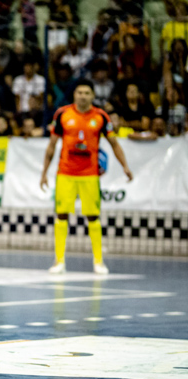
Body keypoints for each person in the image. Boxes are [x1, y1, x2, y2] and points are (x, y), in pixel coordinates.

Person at [39, 79, 133, 275]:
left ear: (92, 95)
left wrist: (125, 166)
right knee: (61, 215)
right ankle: (59, 261)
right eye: (79, 92)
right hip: (65, 173)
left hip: (90, 174)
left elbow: (114, 144)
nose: (83, 96)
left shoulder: (101, 117)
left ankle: (98, 261)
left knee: (93, 216)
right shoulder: (63, 114)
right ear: (74, 95)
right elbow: (52, 146)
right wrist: (44, 173)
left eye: (87, 92)